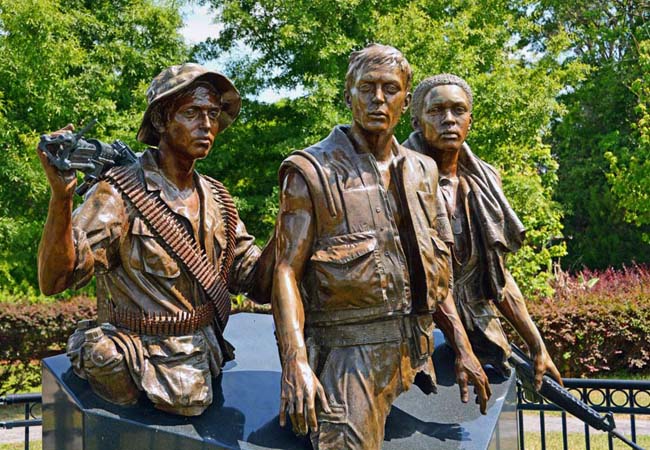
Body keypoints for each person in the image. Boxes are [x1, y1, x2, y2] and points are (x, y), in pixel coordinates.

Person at [272, 45, 491, 450]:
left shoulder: (422, 169)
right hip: (349, 351)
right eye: (366, 87)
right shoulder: (311, 172)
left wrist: (462, 347)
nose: (378, 99)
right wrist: (295, 361)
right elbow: (285, 270)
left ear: (405, 100)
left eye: (390, 89)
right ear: (347, 95)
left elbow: (434, 272)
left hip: (416, 348)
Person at [37, 63, 272, 416]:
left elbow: (257, 281)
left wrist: (294, 221)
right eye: (192, 112)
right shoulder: (117, 195)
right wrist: (61, 199)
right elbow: (54, 280)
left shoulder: (218, 199)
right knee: (105, 359)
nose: (206, 124)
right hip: (140, 357)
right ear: (162, 120)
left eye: (212, 114)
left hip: (205, 352)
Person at [403, 73, 563, 390]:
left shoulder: (485, 181)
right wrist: (462, 348)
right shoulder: (398, 177)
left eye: (458, 110)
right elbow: (429, 276)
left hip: (474, 318)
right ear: (417, 123)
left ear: (470, 121)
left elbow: (496, 276)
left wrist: (535, 342)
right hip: (410, 328)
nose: (449, 119)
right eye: (436, 111)